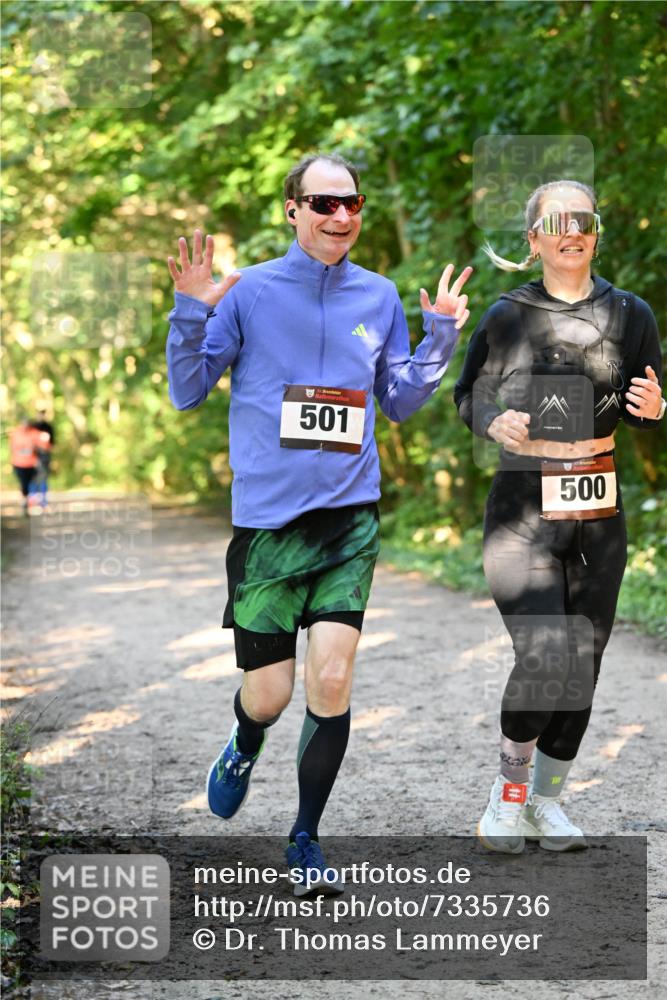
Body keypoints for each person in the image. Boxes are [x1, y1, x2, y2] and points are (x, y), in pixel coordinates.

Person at [166, 152, 472, 891]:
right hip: (269, 527)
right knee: (268, 696)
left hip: (349, 520)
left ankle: (304, 839)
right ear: (292, 209)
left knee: (330, 681)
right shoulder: (248, 293)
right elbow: (186, 391)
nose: (342, 216)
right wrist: (192, 309)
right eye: (325, 203)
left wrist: (438, 337)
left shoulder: (378, 295)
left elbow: (397, 400)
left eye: (353, 203)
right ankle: (244, 741)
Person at [455, 179, 664, 853]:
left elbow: (648, 403)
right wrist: (494, 424)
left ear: (594, 231)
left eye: (583, 219)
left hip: (598, 507)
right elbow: (467, 397)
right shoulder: (507, 314)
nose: (571, 230)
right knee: (546, 653)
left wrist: (656, 410)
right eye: (556, 221)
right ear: (534, 239)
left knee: (584, 659)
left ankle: (545, 803)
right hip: (523, 502)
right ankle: (507, 794)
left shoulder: (630, 313)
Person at [9, 417, 40, 515]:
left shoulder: (34, 433)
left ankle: (28, 501)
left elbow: (41, 445)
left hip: (32, 464)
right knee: (24, 483)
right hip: (19, 463)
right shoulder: (16, 433)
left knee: (31, 483)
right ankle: (25, 501)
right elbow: (13, 447)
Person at [29, 409, 55, 509]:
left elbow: (52, 443)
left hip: (44, 455)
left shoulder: (48, 427)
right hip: (32, 456)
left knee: (43, 477)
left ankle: (43, 501)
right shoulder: (33, 427)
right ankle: (32, 500)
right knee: (33, 478)